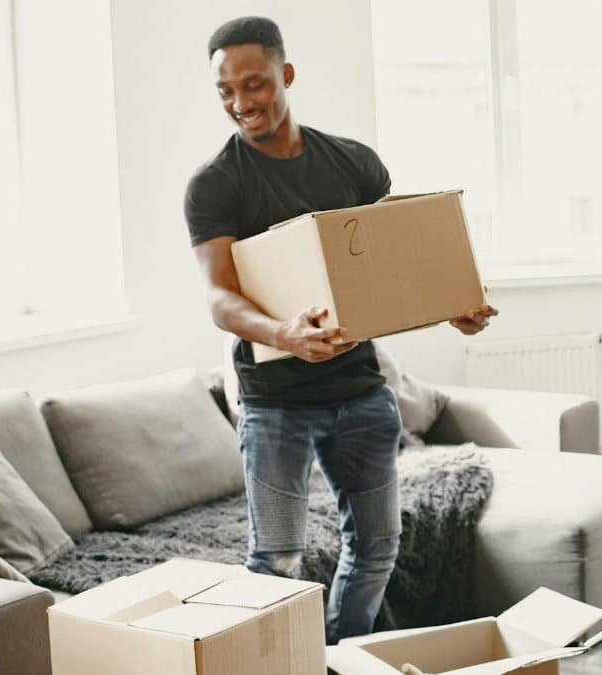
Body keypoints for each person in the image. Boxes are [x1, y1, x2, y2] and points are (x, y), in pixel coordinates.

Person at [183, 16, 497, 645]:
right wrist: (285, 333)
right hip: (274, 404)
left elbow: (393, 267)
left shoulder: (354, 163)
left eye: (254, 84)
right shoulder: (215, 184)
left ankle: (340, 657)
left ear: (286, 74)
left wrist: (451, 305)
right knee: (276, 563)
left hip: (359, 391)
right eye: (225, 91)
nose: (240, 102)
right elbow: (219, 296)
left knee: (378, 548)